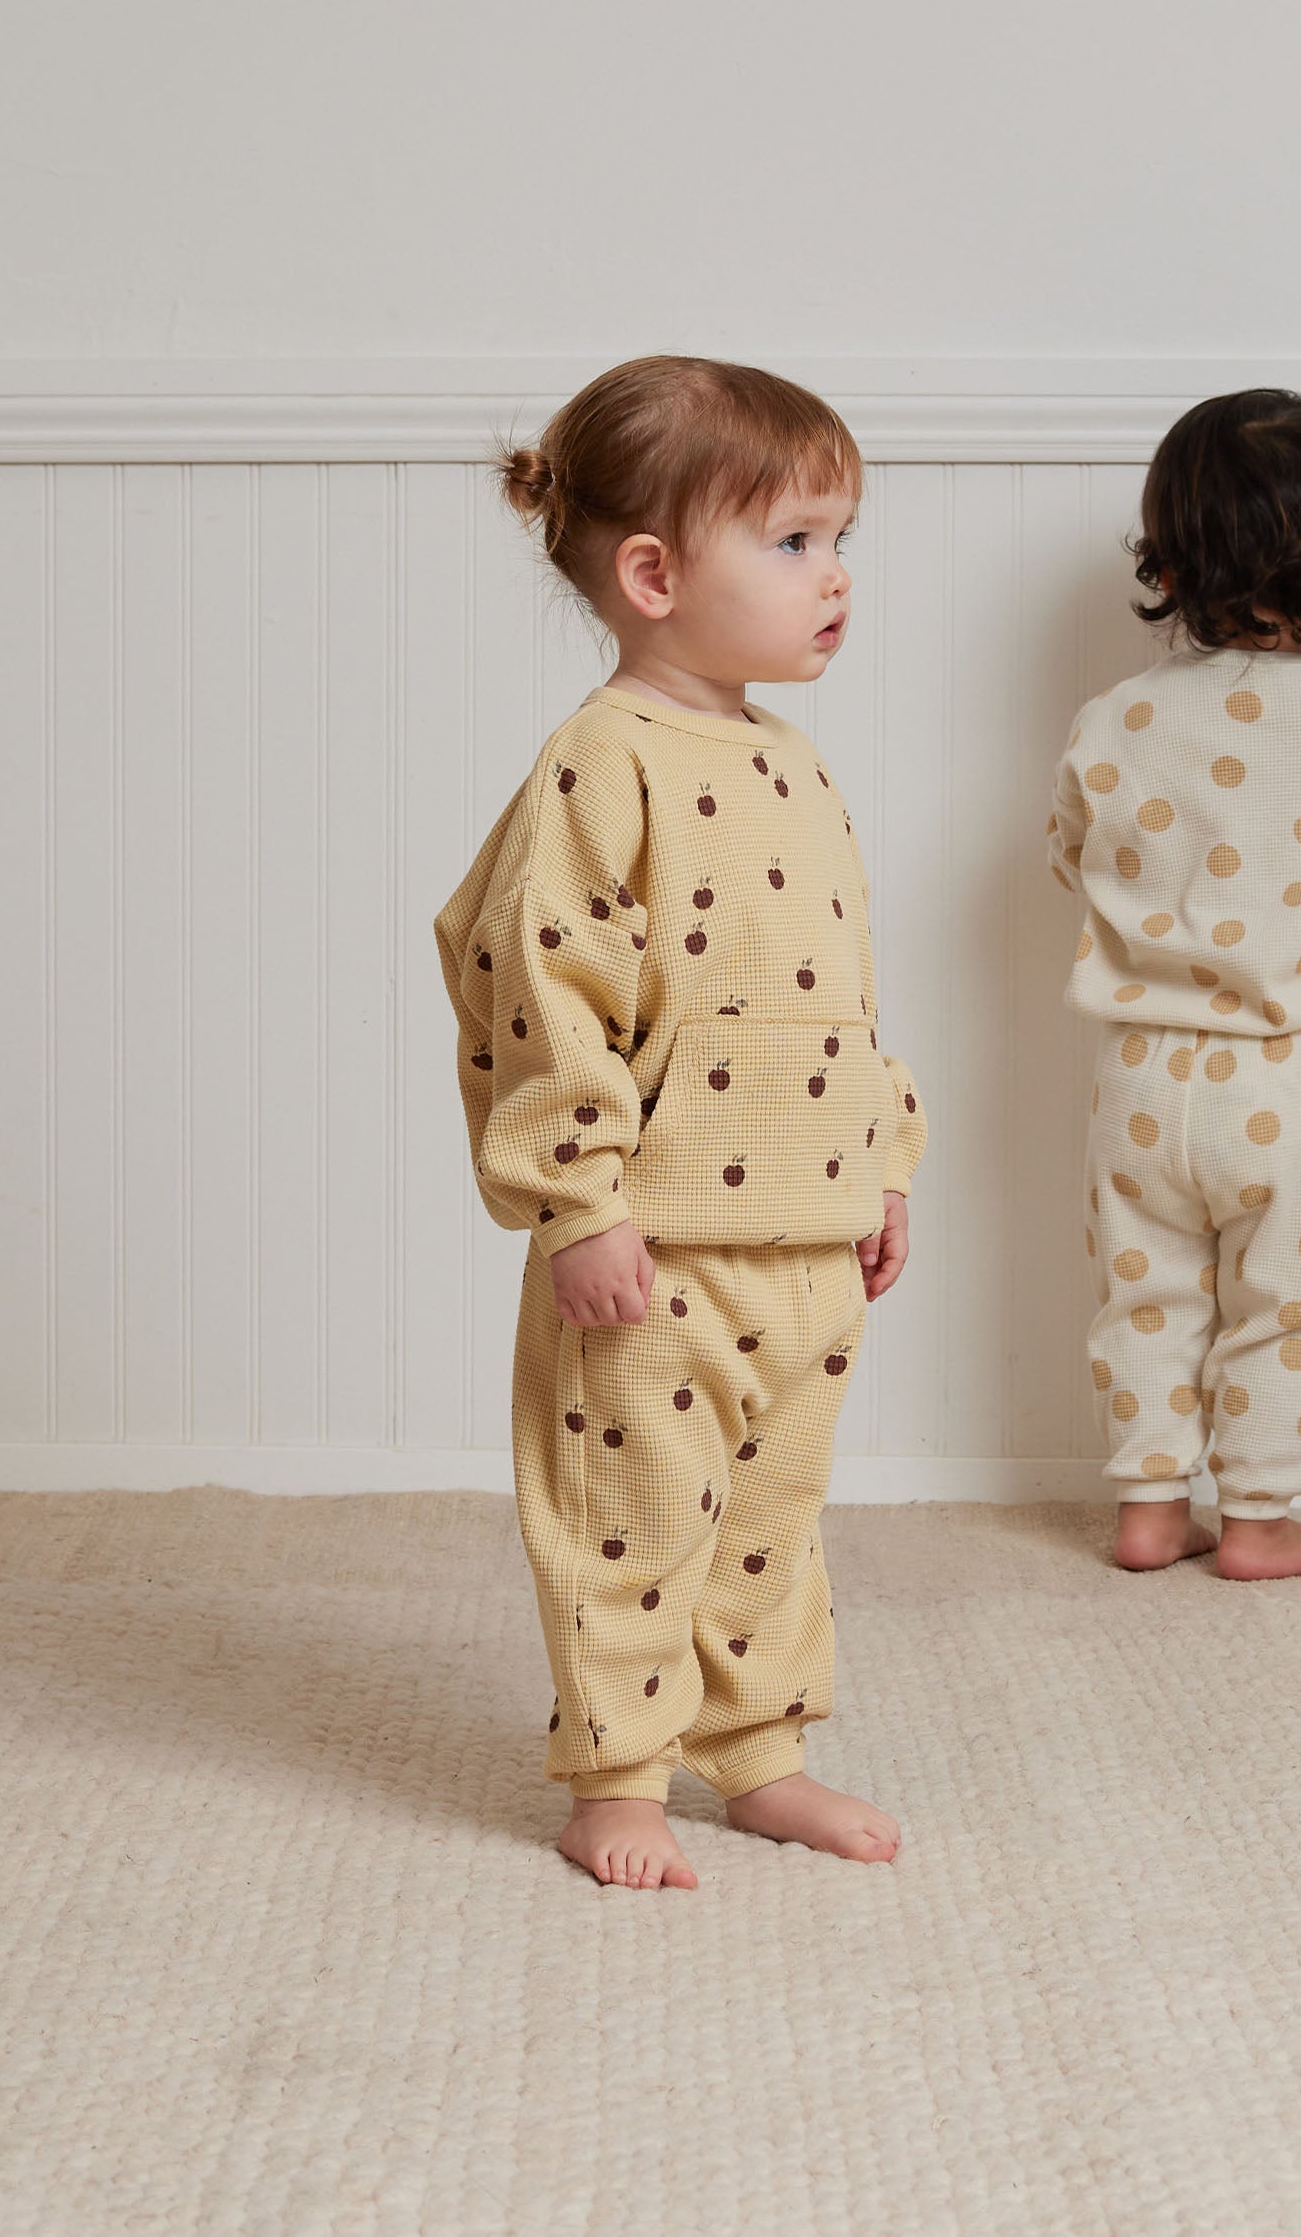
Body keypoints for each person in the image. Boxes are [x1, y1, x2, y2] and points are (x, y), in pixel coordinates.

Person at [436, 357, 925, 1889]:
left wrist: (882, 1164)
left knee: (774, 1514)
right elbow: (542, 986)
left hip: (805, 1237)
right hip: (653, 1249)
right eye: (794, 543)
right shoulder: (604, 761)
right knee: (634, 1515)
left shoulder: (793, 762)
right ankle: (618, 1780)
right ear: (653, 576)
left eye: (840, 540)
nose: (835, 577)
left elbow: (836, 993)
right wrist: (579, 1203)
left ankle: (761, 1754)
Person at [1047, 389, 1301, 1580]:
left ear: (1167, 565)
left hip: (1139, 1075)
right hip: (1296, 1076)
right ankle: (1259, 1520)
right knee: (1283, 1302)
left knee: (1144, 1294)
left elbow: (1068, 852)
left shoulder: (1113, 719)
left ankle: (1147, 1507)